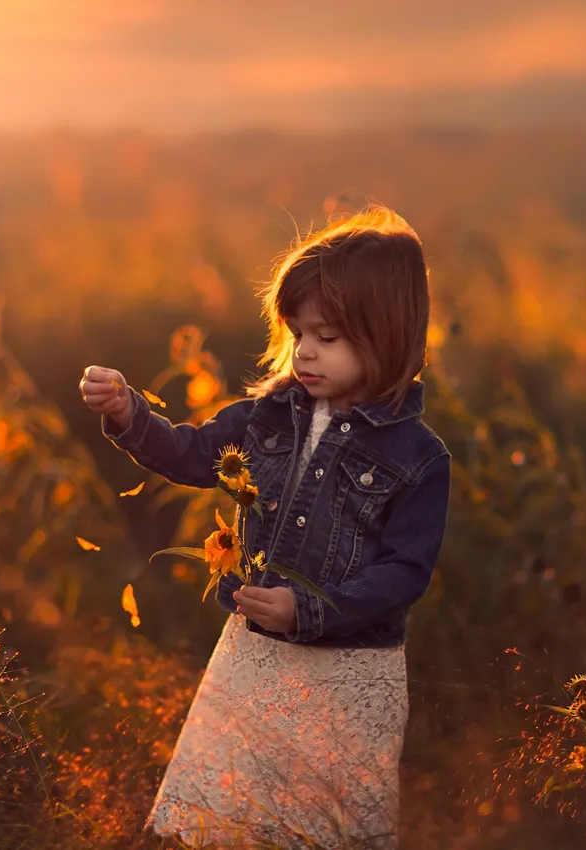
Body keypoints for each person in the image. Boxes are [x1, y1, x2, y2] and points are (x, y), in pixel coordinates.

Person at [79, 205, 451, 849]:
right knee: (226, 820)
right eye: (298, 333)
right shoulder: (266, 418)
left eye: (328, 338)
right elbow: (192, 453)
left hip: (350, 672)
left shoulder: (418, 459)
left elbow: (403, 573)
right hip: (254, 656)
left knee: (323, 826)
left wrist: (308, 610)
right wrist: (128, 411)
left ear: (387, 338)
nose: (305, 351)